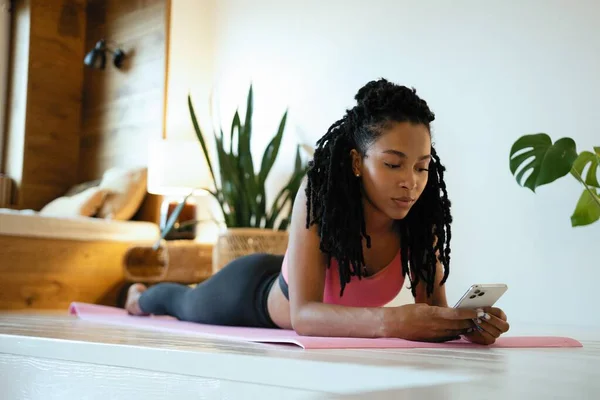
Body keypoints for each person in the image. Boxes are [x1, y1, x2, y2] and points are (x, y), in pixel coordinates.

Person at [125, 78, 509, 345]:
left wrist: (466, 325)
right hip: (250, 293)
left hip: (287, 269)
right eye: (393, 164)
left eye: (422, 167)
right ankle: (138, 296)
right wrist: (393, 321)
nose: (411, 181)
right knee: (180, 302)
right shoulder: (318, 197)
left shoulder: (420, 221)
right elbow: (303, 316)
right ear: (357, 161)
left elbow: (431, 313)